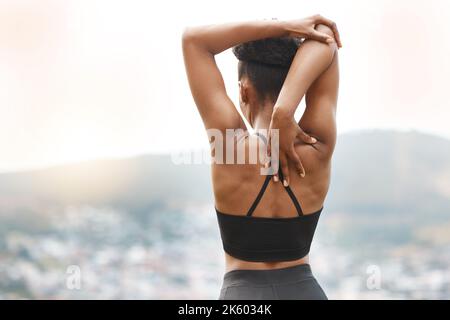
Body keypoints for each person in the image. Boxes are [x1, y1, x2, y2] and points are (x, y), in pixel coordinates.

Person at [182, 15, 341, 300]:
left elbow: (194, 40)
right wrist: (286, 109)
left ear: (243, 90)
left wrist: (281, 27)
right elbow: (325, 33)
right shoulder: (317, 145)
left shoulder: (229, 145)